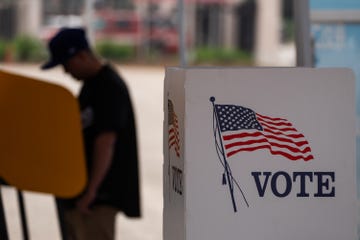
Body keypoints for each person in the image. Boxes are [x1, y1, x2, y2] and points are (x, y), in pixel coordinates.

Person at [41, 28, 141, 240]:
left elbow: (106, 142)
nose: (66, 72)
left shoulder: (108, 87)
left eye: (66, 65)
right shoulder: (92, 85)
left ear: (82, 55)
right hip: (84, 196)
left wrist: (91, 192)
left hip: (97, 200)